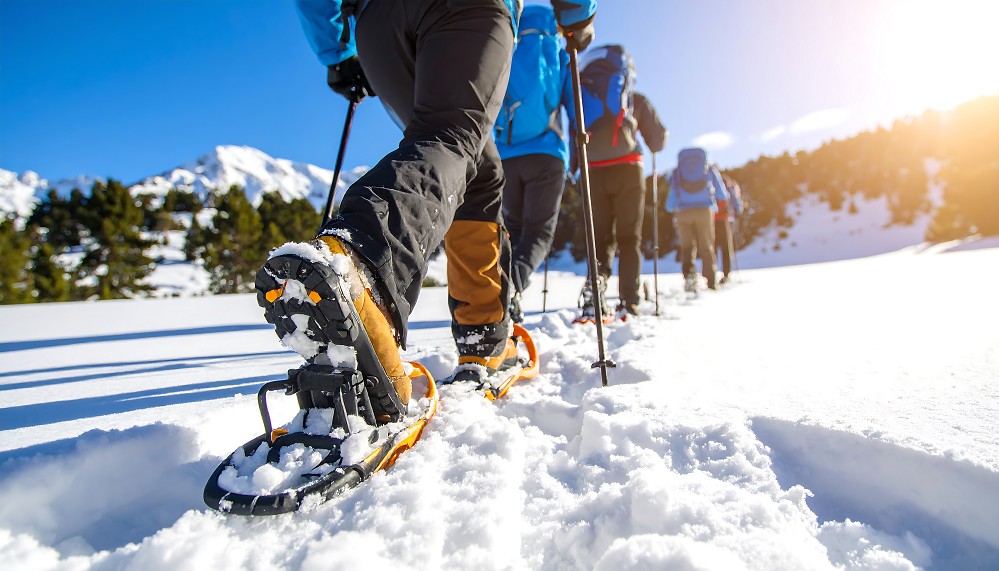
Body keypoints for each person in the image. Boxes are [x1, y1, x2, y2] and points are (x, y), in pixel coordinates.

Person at [255, 0, 597, 405]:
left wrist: (337, 51)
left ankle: (483, 331)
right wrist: (577, 14)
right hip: (469, 10)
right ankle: (360, 265)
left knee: (479, 172)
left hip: (377, 23)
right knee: (451, 136)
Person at [495, 5, 574, 323]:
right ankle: (510, 288)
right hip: (547, 154)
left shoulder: (506, 44)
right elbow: (573, 104)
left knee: (510, 231)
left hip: (506, 156)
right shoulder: (557, 51)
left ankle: (498, 292)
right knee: (538, 232)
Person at [576, 44, 667, 318]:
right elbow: (658, 142)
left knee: (600, 238)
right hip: (628, 170)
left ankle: (596, 290)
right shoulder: (634, 99)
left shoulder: (586, 95)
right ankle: (629, 300)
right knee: (630, 238)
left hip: (593, 171)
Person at [665, 147, 729, 291]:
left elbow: (671, 198)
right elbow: (721, 193)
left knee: (687, 246)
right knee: (706, 245)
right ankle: (711, 280)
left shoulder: (678, 171)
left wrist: (671, 207)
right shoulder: (708, 168)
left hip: (682, 212)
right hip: (704, 211)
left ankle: (689, 278)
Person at [716, 172, 744, 284]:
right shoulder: (729, 185)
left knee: (713, 247)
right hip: (728, 219)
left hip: (713, 219)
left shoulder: (714, 183)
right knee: (726, 247)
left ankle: (712, 274)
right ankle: (726, 274)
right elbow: (737, 205)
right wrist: (737, 211)